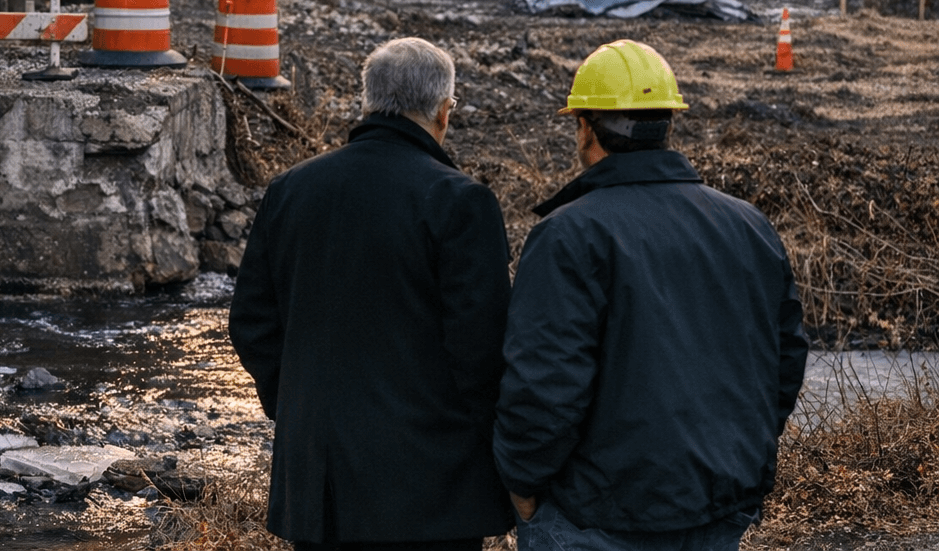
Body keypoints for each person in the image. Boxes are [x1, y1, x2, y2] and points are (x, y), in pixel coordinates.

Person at [495, 39, 808, 551]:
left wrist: (522, 484)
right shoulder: (747, 225)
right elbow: (785, 358)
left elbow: (545, 384)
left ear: (585, 127)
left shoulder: (569, 235)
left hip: (596, 515)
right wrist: (737, 453)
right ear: (668, 125)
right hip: (716, 503)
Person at [229, 36, 515, 551]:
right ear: (443, 111)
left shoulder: (291, 189)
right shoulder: (459, 201)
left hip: (318, 485)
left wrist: (294, 404)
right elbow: (482, 350)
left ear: (367, 101)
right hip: (432, 489)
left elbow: (252, 322)